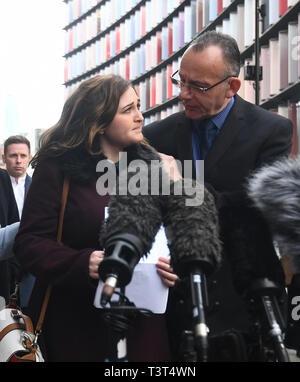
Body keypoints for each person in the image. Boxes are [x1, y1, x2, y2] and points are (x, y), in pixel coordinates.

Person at [143, 31, 293, 361]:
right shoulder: (156, 136)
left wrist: (182, 186)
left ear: (232, 87)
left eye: (197, 86)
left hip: (245, 303)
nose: (184, 94)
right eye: (180, 82)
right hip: (176, 301)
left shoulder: (271, 130)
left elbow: (258, 208)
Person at [13, 74, 179, 362]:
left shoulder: (158, 167)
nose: (140, 117)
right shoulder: (58, 168)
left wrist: (174, 264)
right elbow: (29, 243)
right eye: (128, 110)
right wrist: (81, 263)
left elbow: (176, 236)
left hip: (143, 331)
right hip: (76, 329)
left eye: (139, 106)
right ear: (98, 122)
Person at [0, 136, 33, 307]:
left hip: (29, 264)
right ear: (4, 158)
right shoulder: (3, 182)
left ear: (30, 157)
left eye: (23, 155)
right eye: (13, 156)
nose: (18, 160)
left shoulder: (38, 188)